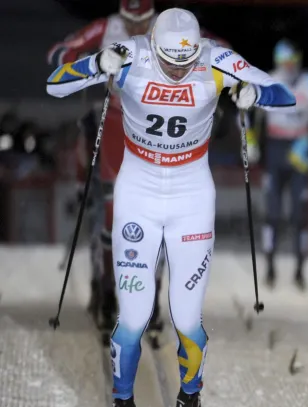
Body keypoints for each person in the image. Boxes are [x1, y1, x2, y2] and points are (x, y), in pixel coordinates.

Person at [46, 8, 296, 407]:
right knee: (133, 318)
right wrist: (97, 65)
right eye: (169, 64)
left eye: (185, 64)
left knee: (186, 319)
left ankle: (190, 401)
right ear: (154, 47)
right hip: (137, 195)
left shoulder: (213, 58)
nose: (179, 72)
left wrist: (250, 91)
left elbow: (282, 92)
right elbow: (56, 84)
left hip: (190, 199)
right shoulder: (132, 54)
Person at [48, 0, 230, 343]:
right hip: (115, 123)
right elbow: (59, 53)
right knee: (113, 211)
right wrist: (90, 65)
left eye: (143, 20)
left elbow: (222, 50)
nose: (135, 28)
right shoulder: (105, 27)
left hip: (159, 129)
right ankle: (106, 293)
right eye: (129, 20)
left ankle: (153, 302)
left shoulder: (172, 30)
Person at [246, 39, 308, 290]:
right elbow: (246, 112)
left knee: (300, 215)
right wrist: (250, 141)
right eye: (284, 63)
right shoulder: (268, 80)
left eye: (292, 62)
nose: (288, 68)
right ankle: (269, 268)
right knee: (273, 213)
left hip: (301, 150)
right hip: (276, 150)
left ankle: (299, 271)